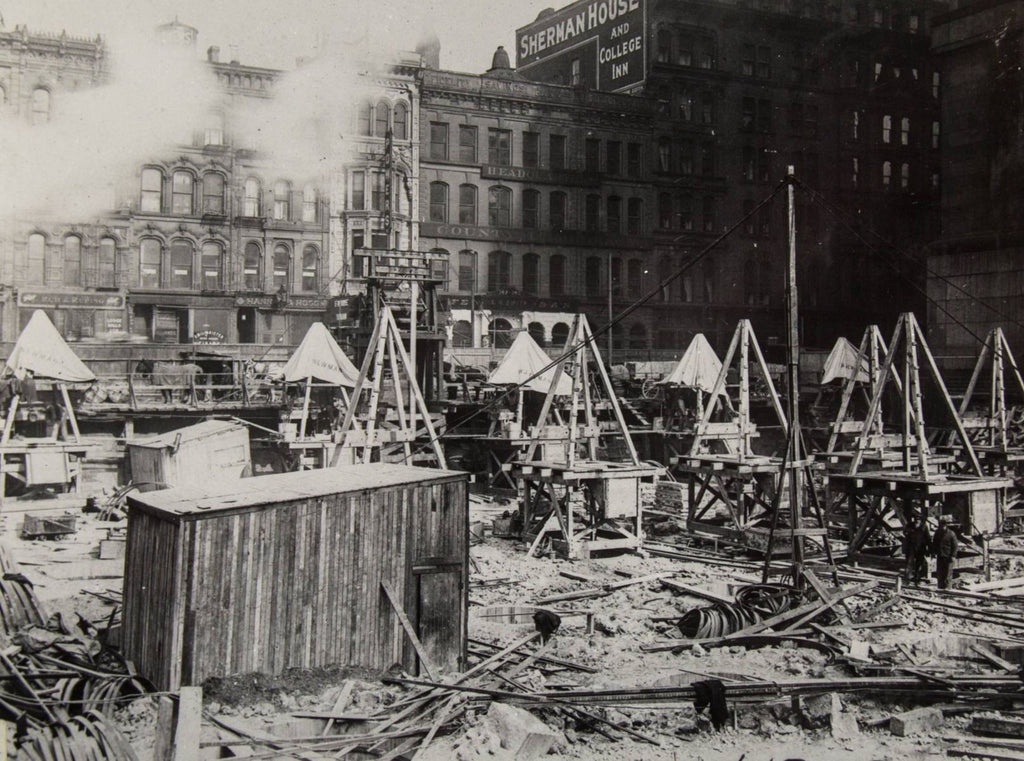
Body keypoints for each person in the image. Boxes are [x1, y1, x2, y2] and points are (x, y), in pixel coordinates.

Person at [932, 515, 959, 589]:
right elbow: (934, 543)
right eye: (940, 525)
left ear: (946, 525)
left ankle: (948, 589)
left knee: (948, 574)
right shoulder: (937, 532)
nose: (941, 527)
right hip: (940, 555)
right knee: (940, 573)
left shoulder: (951, 534)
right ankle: (940, 588)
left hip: (948, 557)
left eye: (943, 525)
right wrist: (933, 552)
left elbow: (955, 546)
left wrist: (953, 556)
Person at [903, 515, 931, 585]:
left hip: (921, 548)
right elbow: (905, 532)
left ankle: (917, 578)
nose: (917, 521)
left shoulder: (924, 526)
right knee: (909, 563)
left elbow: (928, 538)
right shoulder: (909, 525)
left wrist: (929, 549)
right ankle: (907, 579)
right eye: (916, 520)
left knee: (919, 564)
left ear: (920, 521)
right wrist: (908, 532)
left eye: (918, 520)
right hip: (911, 548)